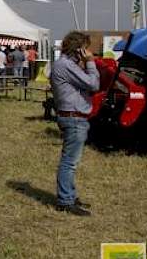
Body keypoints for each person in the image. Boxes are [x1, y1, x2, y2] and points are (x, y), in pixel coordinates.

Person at [50, 31, 99, 216]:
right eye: (85, 48)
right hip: (74, 118)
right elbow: (93, 84)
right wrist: (90, 63)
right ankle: (65, 200)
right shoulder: (66, 65)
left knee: (70, 161)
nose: (87, 52)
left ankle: (68, 194)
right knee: (69, 162)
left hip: (72, 116)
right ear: (78, 49)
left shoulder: (64, 64)